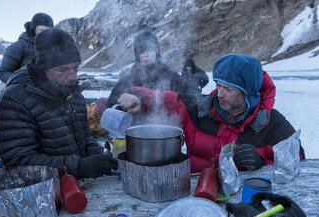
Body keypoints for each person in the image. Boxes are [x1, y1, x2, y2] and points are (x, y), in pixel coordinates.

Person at [116, 53, 305, 173]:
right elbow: (169, 102)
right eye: (218, 86)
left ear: (248, 92)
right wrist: (140, 98)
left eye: (228, 89)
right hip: (189, 193)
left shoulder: (270, 122)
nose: (219, 94)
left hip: (240, 201)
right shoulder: (202, 109)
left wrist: (261, 157)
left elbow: (297, 157)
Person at [0, 28, 118, 179]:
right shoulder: (17, 98)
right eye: (62, 70)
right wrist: (79, 167)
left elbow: (85, 139)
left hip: (74, 184)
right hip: (42, 193)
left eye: (75, 68)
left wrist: (101, 157)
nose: (73, 77)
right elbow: (18, 161)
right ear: (43, 68)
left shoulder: (73, 94)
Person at [106, 30, 181, 108]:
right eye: (141, 51)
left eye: (149, 50)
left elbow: (185, 105)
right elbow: (111, 105)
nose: (146, 55)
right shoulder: (126, 81)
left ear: (157, 53)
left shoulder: (173, 78)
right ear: (137, 56)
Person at [0, 13, 54, 84]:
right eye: (42, 30)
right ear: (33, 30)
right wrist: (21, 82)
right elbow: (3, 72)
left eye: (48, 30)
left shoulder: (54, 47)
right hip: (24, 90)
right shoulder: (19, 46)